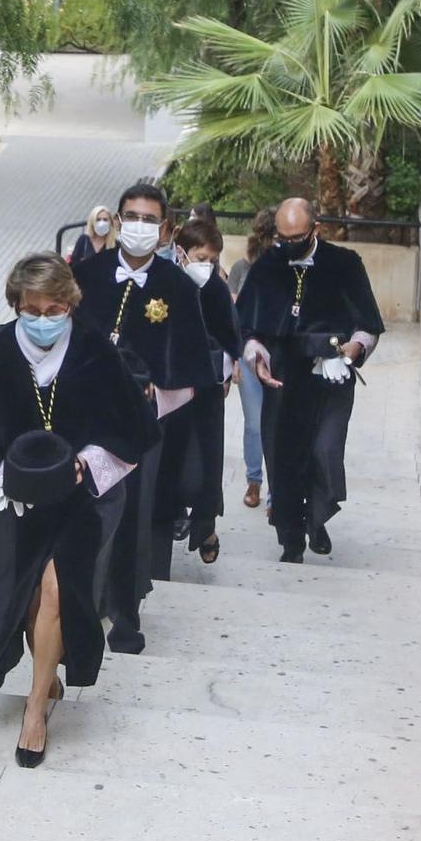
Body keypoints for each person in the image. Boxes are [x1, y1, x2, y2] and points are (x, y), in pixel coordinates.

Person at [0, 255, 156, 766]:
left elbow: (130, 427)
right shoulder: (2, 347)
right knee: (27, 601)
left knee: (55, 590)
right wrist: (11, 478)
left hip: (86, 498)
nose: (43, 318)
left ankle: (33, 708)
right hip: (23, 498)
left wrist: (85, 467)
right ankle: (45, 680)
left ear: (69, 305)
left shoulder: (93, 346)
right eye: (32, 309)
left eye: (54, 308)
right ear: (16, 307)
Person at [71, 178, 213, 651]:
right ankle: (79, 605)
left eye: (149, 220)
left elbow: (192, 366)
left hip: (141, 421)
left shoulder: (177, 286)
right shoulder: (86, 275)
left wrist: (156, 396)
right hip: (84, 415)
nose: (138, 227)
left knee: (133, 514)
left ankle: (125, 612)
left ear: (166, 228)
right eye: (130, 217)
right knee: (84, 507)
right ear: (115, 220)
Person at [236, 198, 385, 563]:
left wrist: (352, 350)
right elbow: (248, 330)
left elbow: (368, 325)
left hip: (330, 377)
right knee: (283, 458)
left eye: (297, 237)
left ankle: (317, 518)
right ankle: (291, 539)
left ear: (315, 229)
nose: (289, 245)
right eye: (282, 238)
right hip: (283, 378)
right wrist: (257, 359)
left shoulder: (344, 264)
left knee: (325, 451)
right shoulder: (267, 267)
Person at [173, 217, 243, 563]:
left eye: (211, 259)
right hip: (169, 387)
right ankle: (171, 512)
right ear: (181, 252)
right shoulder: (166, 283)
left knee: (207, 457)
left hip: (207, 389)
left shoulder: (215, 289)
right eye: (199, 257)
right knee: (172, 453)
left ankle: (205, 525)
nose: (206, 265)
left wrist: (227, 369)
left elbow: (230, 335)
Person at [228, 207, 276, 510]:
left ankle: (276, 491)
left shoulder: (289, 270)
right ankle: (254, 481)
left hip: (281, 355)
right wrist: (234, 357)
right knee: (255, 424)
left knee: (278, 424)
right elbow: (233, 317)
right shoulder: (241, 269)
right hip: (248, 354)